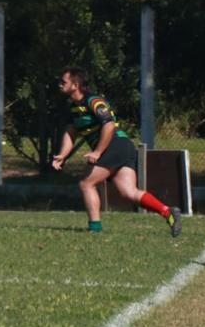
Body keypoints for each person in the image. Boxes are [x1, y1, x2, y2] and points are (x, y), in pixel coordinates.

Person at [52, 68, 181, 237]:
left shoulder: (94, 101)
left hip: (116, 145)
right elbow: (70, 133)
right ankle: (167, 212)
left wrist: (97, 152)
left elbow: (109, 125)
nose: (60, 84)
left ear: (75, 85)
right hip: (122, 147)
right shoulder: (73, 107)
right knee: (128, 192)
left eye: (63, 82)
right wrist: (63, 155)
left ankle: (95, 230)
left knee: (86, 184)